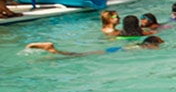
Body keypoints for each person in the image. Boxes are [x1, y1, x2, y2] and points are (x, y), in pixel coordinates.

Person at [26, 36, 165, 56]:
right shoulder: (146, 46)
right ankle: (53, 50)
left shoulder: (137, 44)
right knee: (78, 56)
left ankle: (55, 51)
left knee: (79, 55)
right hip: (113, 52)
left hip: (113, 50)